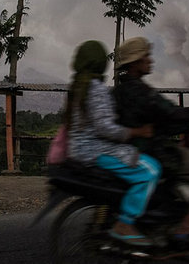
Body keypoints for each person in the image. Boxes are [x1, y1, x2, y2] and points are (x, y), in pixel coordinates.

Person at [113, 37, 189, 248]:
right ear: (134, 63)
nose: (150, 60)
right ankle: (186, 228)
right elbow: (174, 114)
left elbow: (164, 122)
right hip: (155, 152)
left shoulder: (120, 91)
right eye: (146, 56)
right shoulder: (141, 93)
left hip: (137, 150)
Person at [65, 40, 162, 247]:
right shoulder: (96, 88)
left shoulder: (78, 87)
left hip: (81, 150)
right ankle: (125, 224)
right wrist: (136, 131)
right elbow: (105, 128)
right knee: (151, 170)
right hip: (96, 151)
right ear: (100, 62)